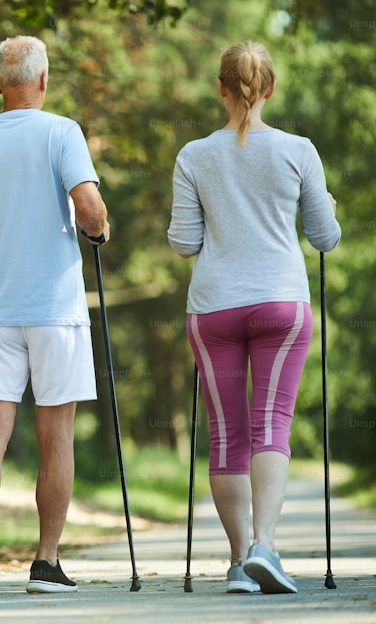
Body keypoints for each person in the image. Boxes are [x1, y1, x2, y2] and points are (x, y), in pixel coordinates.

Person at [0, 35, 110, 597]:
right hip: (56, 311)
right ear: (42, 80)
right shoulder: (62, 132)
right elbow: (88, 207)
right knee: (56, 434)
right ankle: (46, 562)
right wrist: (99, 230)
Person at [167, 40, 341, 595]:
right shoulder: (299, 149)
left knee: (227, 435)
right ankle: (266, 544)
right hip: (280, 305)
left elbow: (184, 243)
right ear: (270, 88)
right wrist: (327, 207)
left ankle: (241, 560)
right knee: (272, 428)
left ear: (221, 89)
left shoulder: (194, 155)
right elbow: (325, 237)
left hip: (214, 308)